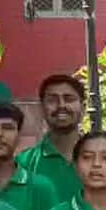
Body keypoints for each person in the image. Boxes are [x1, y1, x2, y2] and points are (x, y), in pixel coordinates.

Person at [17, 74, 86, 202]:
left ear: (83, 107)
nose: (61, 106)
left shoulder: (103, 160)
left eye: (69, 99)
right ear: (41, 108)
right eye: (52, 100)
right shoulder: (23, 164)